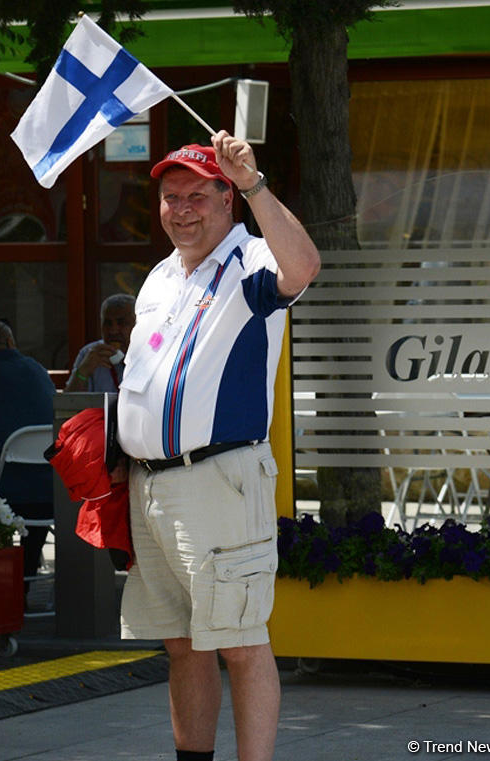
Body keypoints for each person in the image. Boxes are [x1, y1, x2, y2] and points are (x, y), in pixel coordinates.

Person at [116, 133, 321, 761]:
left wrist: (256, 183)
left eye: (197, 197)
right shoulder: (160, 275)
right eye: (171, 198)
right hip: (151, 484)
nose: (182, 210)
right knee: (182, 643)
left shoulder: (251, 257)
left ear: (227, 200)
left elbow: (303, 268)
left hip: (218, 480)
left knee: (240, 641)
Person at [0, 319, 57, 590]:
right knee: (35, 514)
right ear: (10, 343)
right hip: (48, 492)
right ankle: (25, 583)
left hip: (1, 493)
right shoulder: (37, 370)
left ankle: (2, 588)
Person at [64, 293, 136, 392]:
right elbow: (69, 400)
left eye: (121, 323)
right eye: (108, 323)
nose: (113, 331)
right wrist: (83, 372)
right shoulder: (89, 353)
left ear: (136, 325)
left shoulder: (149, 354)